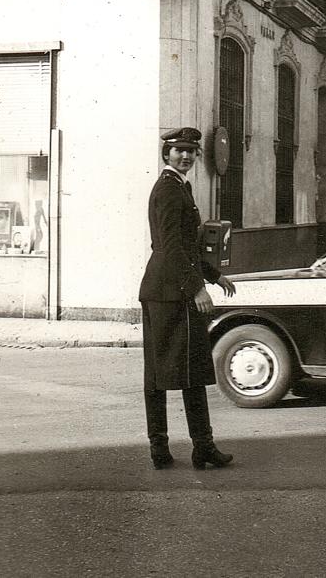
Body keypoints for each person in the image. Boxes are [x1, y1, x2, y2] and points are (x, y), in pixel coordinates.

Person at [139, 127, 236, 470]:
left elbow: (187, 245)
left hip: (168, 289)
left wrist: (213, 275)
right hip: (169, 293)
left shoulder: (180, 186)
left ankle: (189, 448)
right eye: (179, 150)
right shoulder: (168, 190)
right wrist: (197, 288)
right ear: (166, 154)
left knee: (181, 371)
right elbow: (170, 246)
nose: (186, 156)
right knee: (168, 373)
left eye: (191, 151)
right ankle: (174, 447)